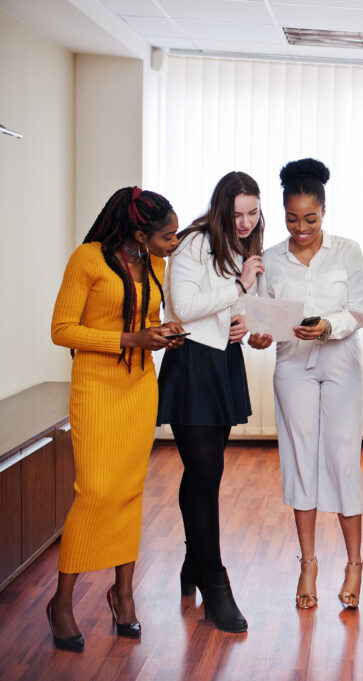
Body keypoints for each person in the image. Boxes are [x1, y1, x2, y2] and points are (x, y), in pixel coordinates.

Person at [48, 187, 183, 651]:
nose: (175, 241)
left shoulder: (156, 264)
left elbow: (148, 323)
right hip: (97, 387)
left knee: (129, 490)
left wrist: (164, 335)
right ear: (140, 232)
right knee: (95, 492)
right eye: (168, 235)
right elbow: (61, 330)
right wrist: (131, 338)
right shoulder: (87, 259)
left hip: (139, 387)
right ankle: (61, 602)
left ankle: (123, 594)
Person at [248, 158, 363, 610]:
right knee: (301, 459)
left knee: (342, 459)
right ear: (282, 214)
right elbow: (260, 314)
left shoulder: (348, 251)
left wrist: (328, 326)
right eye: (292, 219)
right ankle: (308, 563)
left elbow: (357, 308)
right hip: (292, 364)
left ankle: (354, 564)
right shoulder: (269, 260)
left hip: (339, 360)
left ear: (325, 211)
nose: (302, 228)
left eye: (311, 219)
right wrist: (259, 336)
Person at [157, 171, 266, 633]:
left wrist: (242, 320)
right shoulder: (193, 243)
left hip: (222, 361)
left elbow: (233, 307)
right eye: (237, 213)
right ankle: (215, 584)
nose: (244, 222)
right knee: (206, 473)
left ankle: (193, 563)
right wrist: (239, 287)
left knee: (204, 475)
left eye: (253, 213)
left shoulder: (244, 247)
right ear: (221, 209)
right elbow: (182, 304)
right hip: (193, 365)